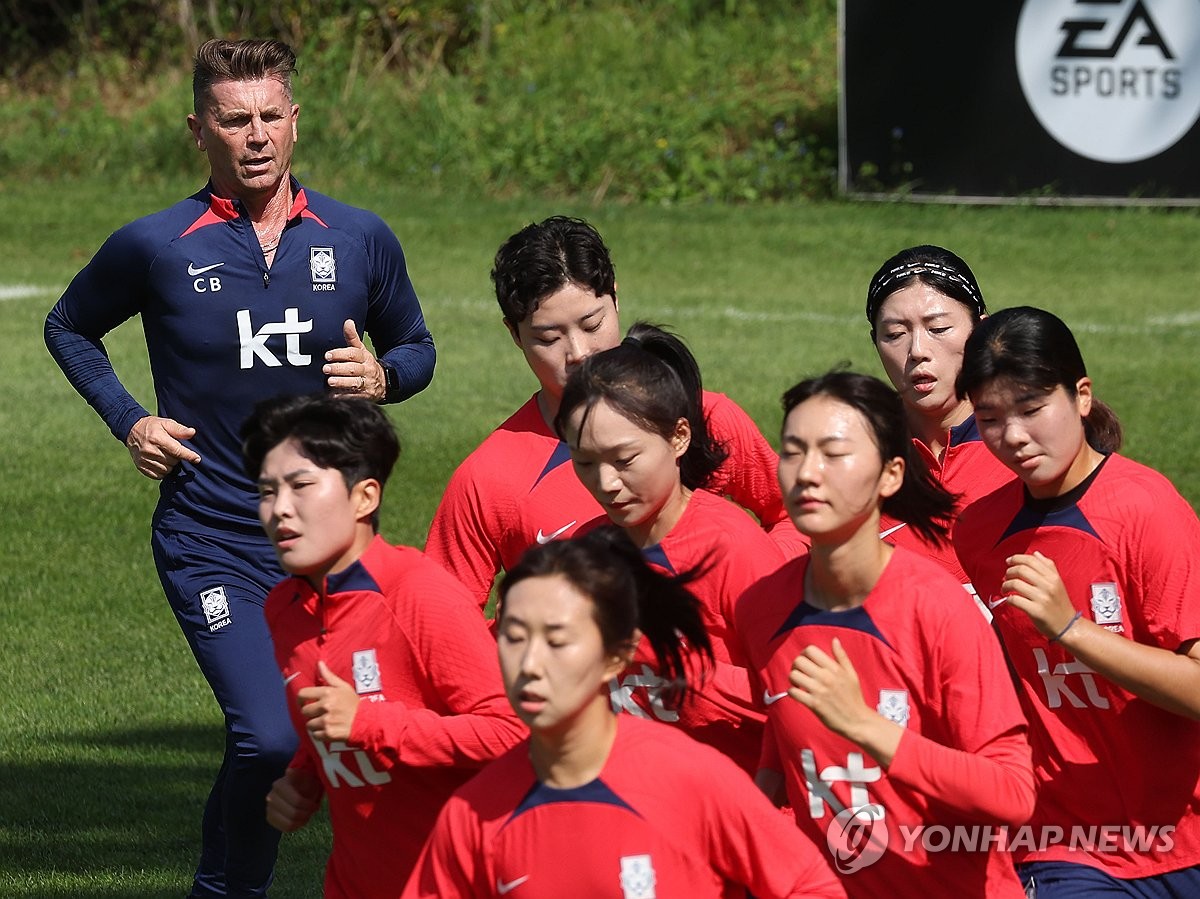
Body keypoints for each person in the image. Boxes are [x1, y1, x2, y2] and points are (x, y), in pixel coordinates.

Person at [43, 38, 435, 898]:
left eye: (269, 116)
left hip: (330, 546)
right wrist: (130, 420)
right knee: (273, 735)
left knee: (282, 733)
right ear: (199, 129)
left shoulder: (360, 238)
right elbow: (69, 325)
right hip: (212, 533)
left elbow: (417, 345)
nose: (255, 135)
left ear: (295, 121)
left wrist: (383, 376)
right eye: (233, 119)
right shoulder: (156, 246)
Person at [403, 527, 846, 899]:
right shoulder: (472, 814)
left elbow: (810, 886)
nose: (530, 664)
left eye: (557, 641)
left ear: (618, 656)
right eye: (514, 638)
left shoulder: (691, 779)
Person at [735, 370, 1034, 898]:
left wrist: (863, 726)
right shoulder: (761, 607)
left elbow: (1012, 793)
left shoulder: (938, 609)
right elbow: (781, 736)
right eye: (793, 451)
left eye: (833, 453)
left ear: (891, 475)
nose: (808, 473)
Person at [425, 215, 803, 610]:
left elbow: (795, 515)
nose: (579, 354)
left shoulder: (703, 415)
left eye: (592, 324)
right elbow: (439, 622)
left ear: (616, 300)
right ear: (514, 334)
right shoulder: (487, 479)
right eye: (548, 338)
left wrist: (753, 580)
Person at [953, 306, 1200, 895]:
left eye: (1032, 409)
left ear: (1081, 397)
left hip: (1183, 836)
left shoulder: (1148, 510)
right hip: (1062, 843)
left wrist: (1072, 628)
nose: (1012, 436)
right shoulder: (978, 531)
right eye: (989, 418)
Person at [241, 394, 525, 898]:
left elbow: (511, 734)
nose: (280, 508)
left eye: (301, 485)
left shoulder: (420, 596)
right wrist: (304, 778)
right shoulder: (284, 608)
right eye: (267, 491)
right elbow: (331, 716)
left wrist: (371, 725)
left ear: (364, 497)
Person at [555, 321, 786, 773]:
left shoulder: (731, 547)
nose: (606, 483)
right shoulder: (583, 553)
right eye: (584, 462)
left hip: (729, 808)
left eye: (625, 460)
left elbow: (792, 695)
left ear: (678, 438)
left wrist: (675, 665)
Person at [865, 246, 1012, 599]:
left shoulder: (1027, 449)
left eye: (939, 328)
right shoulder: (856, 456)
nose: (917, 350)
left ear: (982, 328)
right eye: (895, 334)